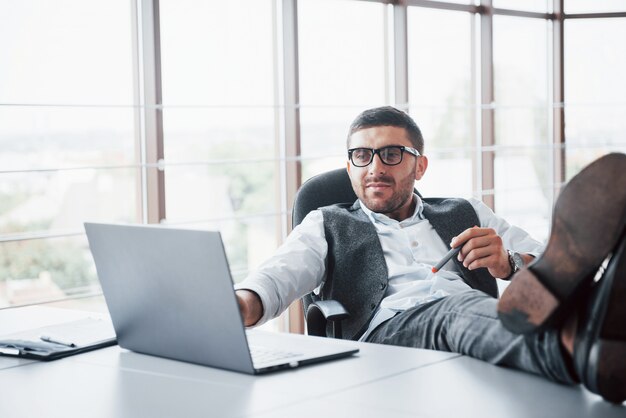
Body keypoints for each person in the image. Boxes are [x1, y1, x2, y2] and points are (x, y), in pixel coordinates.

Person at [235, 106, 626, 403]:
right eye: (362, 155)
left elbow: (553, 265)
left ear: (419, 166)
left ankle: (594, 325)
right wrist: (239, 305)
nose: (374, 167)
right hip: (384, 338)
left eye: (391, 154)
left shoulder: (466, 211)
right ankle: (582, 349)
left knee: (524, 294)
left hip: (478, 324)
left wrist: (509, 262)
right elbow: (278, 276)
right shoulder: (326, 222)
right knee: (452, 310)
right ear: (350, 166)